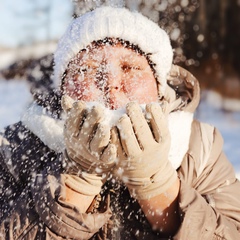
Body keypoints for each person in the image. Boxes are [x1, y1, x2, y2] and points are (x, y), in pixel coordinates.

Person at [0, 6, 240, 240]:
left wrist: (158, 186)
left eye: (130, 67)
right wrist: (77, 180)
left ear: (160, 88)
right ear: (64, 88)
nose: (110, 82)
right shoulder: (15, 147)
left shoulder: (198, 147)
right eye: (87, 69)